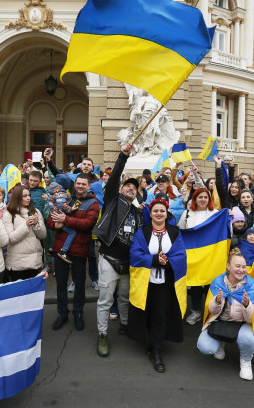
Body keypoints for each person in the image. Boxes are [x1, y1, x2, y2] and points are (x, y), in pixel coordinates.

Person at [93, 143, 143, 357]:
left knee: (124, 297)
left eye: (135, 187)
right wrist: (122, 157)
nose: (131, 188)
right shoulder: (113, 200)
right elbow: (114, 179)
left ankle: (124, 323)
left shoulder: (139, 213)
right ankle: (102, 335)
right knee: (106, 299)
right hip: (109, 259)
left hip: (128, 263)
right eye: (127, 186)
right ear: (121, 190)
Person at [127, 199, 187, 372]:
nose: (159, 214)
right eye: (155, 211)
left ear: (167, 213)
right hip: (146, 281)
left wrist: (166, 262)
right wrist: (154, 260)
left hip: (165, 283)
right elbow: (135, 254)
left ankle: (157, 350)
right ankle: (151, 342)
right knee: (146, 312)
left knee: (160, 315)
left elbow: (181, 255)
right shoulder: (142, 232)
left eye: (162, 211)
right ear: (151, 213)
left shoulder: (174, 232)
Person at [47, 173, 100, 331]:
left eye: (84, 184)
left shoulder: (93, 203)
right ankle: (62, 313)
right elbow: (51, 218)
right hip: (60, 248)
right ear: (74, 184)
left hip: (80, 250)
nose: (80, 186)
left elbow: (88, 224)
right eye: (78, 183)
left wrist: (66, 220)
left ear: (89, 186)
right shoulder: (66, 198)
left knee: (80, 284)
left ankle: (78, 312)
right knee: (61, 284)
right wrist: (54, 224)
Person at [197, 253, 254, 380]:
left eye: (244, 267)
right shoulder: (217, 282)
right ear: (228, 266)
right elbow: (210, 310)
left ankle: (246, 361)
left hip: (242, 323)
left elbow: (252, 318)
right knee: (204, 347)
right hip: (220, 321)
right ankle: (221, 341)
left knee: (250, 340)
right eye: (237, 266)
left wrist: (247, 305)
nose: (241, 270)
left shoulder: (252, 286)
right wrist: (217, 301)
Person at [179, 188, 218, 325]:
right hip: (194, 254)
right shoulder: (187, 213)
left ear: (209, 199)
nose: (203, 199)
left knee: (210, 284)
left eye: (205, 197)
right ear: (194, 199)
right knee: (195, 284)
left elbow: (223, 230)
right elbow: (181, 232)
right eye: (200, 197)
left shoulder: (216, 214)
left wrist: (229, 216)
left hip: (210, 255)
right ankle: (196, 311)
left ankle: (210, 312)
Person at [2, 185, 47, 281]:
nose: (28, 198)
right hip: (17, 265)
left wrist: (36, 225)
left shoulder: (36, 212)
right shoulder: (9, 214)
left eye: (29, 195)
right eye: (25, 196)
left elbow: (43, 235)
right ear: (17, 198)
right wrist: (25, 226)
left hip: (35, 263)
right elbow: (11, 239)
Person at [46, 181, 79, 263]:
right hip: (59, 217)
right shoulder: (60, 194)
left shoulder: (51, 195)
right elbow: (61, 205)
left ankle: (51, 248)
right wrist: (70, 209)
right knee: (72, 232)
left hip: (54, 216)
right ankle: (64, 251)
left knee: (58, 231)